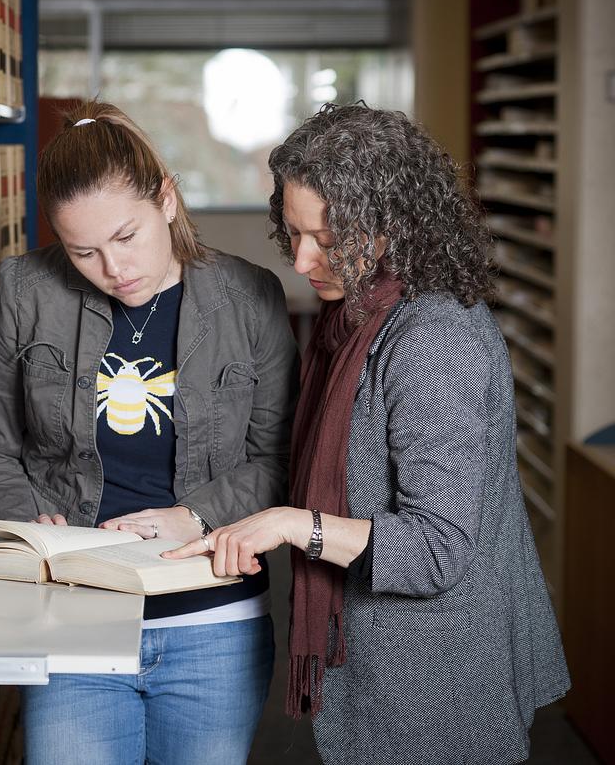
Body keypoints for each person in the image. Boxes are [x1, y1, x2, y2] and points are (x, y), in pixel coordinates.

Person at [166, 103, 570, 764]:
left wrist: (299, 525)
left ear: (394, 226)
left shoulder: (432, 340)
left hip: (437, 683)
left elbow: (437, 549)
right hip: (387, 669)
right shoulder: (357, 315)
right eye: (292, 233)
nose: (301, 260)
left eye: (326, 239)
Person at [0, 100, 299, 764]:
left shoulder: (249, 296)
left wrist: (193, 517)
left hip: (213, 619)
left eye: (126, 237)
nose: (113, 268)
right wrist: (29, 521)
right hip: (69, 610)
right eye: (82, 251)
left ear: (166, 201)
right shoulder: (25, 291)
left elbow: (279, 458)